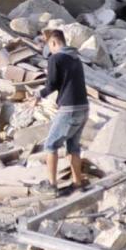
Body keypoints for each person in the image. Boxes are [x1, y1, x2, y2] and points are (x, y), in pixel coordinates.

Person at [29, 29, 88, 197]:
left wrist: (37, 96)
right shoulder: (76, 58)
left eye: (50, 46)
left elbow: (51, 84)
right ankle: (77, 183)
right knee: (73, 147)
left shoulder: (56, 58)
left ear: (54, 43)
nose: (50, 50)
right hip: (83, 107)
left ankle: (51, 185)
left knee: (51, 146)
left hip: (68, 110)